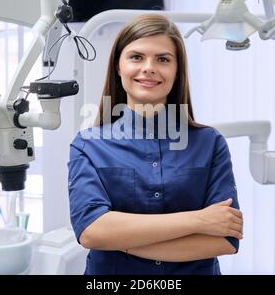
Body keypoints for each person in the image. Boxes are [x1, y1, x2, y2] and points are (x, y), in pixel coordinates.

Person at [67, 14, 243, 275]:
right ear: (118, 66)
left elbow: (224, 238)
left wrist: (122, 240)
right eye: (136, 57)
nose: (149, 67)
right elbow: (92, 231)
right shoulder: (88, 145)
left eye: (163, 59)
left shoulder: (210, 143)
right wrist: (200, 220)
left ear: (176, 70)